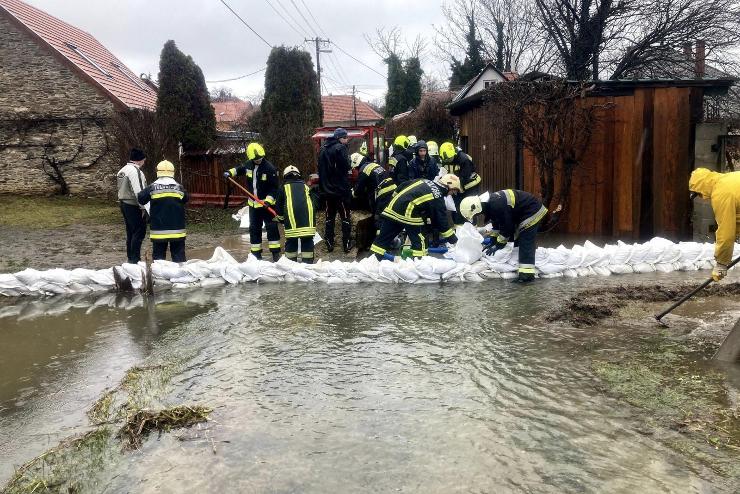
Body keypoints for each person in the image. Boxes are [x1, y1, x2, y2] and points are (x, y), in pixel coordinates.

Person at [459, 189, 548, 283]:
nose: (478, 215)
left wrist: (499, 245)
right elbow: (497, 224)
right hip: (523, 212)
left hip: (532, 211)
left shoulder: (496, 204)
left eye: (476, 214)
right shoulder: (491, 204)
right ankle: (523, 266)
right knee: (517, 242)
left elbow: (507, 228)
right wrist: (493, 241)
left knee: (525, 242)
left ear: (476, 207)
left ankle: (527, 276)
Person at [370, 174, 461, 260]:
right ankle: (419, 263)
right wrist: (454, 240)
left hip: (392, 208)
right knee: (420, 241)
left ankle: (371, 263)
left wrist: (394, 201)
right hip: (409, 213)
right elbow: (442, 222)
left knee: (382, 240)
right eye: (454, 191)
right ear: (450, 187)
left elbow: (402, 186)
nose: (452, 194)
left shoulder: (424, 180)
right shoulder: (437, 196)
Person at [224, 142, 281, 261]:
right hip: (253, 205)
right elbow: (239, 169)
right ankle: (256, 255)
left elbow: (274, 188)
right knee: (254, 229)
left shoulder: (270, 169)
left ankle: (275, 254)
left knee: (271, 228)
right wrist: (229, 172)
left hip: (266, 205)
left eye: (260, 158)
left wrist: (268, 201)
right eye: (256, 159)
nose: (259, 160)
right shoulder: (248, 164)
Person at [688, 168, 740, 281]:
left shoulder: (720, 193)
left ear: (702, 188)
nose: (702, 198)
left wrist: (721, 263)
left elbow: (726, 232)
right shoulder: (728, 179)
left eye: (699, 194)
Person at [137, 160, 188, 262]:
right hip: (177, 231)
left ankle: (159, 277)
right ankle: (179, 276)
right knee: (179, 259)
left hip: (159, 231)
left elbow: (141, 198)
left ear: (158, 172)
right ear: (172, 172)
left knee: (159, 260)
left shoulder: (152, 188)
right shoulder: (179, 188)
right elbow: (186, 199)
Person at [318, 127, 353, 253]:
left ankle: (329, 243)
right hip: (340, 191)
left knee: (329, 217)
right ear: (339, 138)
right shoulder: (340, 148)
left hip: (327, 192)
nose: (347, 140)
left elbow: (321, 170)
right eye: (345, 138)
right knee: (345, 217)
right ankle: (347, 243)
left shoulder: (322, 149)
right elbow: (347, 166)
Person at [275, 166, 316, 264]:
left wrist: (281, 219)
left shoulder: (283, 188)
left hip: (291, 220)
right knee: (307, 240)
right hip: (308, 220)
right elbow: (313, 202)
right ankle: (308, 264)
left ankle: (291, 264)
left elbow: (279, 206)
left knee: (292, 241)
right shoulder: (306, 187)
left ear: (285, 176)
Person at [117, 148, 148, 264]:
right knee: (139, 231)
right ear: (139, 160)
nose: (144, 163)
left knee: (130, 232)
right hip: (133, 205)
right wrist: (143, 207)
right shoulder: (135, 171)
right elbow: (139, 191)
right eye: (143, 160)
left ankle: (130, 257)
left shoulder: (122, 170)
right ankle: (135, 259)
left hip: (124, 203)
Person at [439, 142, 482, 225]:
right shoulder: (445, 159)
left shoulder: (464, 159)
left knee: (469, 206)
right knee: (456, 208)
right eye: (445, 160)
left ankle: (472, 227)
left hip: (470, 185)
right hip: (457, 186)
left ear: (454, 153)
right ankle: (458, 228)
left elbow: (464, 178)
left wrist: (454, 188)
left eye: (449, 159)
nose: (447, 161)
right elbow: (445, 173)